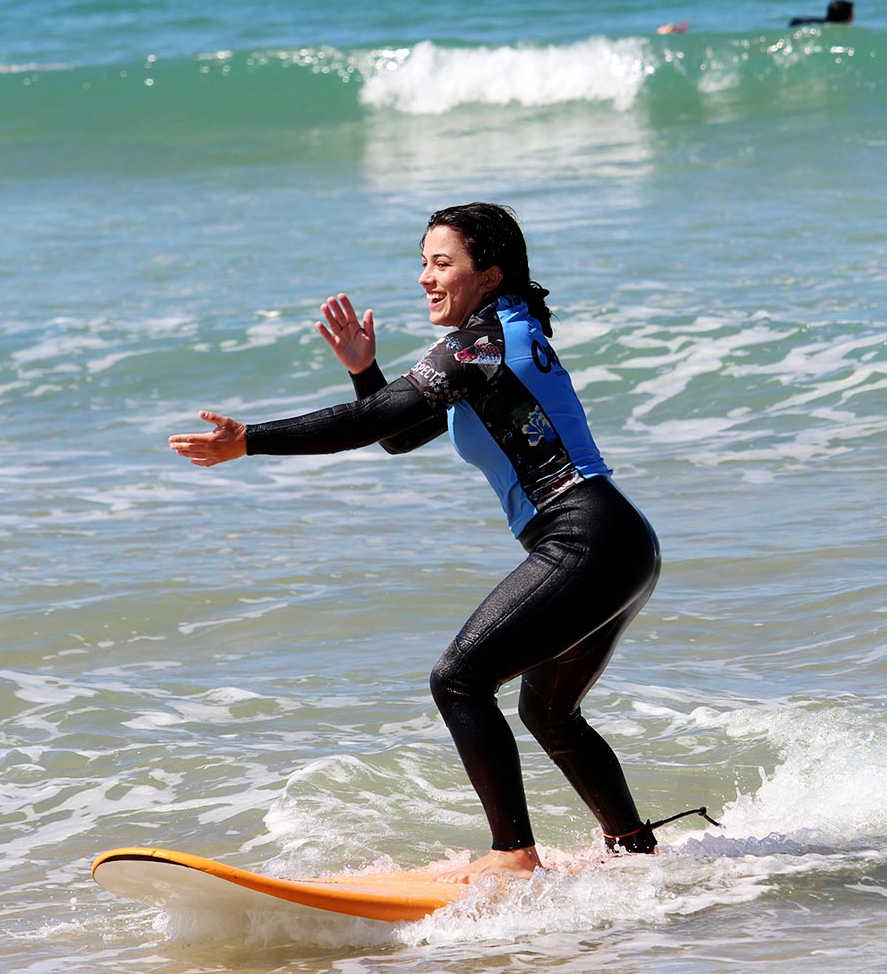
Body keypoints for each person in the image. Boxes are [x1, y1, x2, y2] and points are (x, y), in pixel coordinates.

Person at [169, 203, 664, 883]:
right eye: (423, 264)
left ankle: (514, 856)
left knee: (459, 679)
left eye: (442, 263)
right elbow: (397, 430)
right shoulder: (499, 339)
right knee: (548, 713)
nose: (426, 279)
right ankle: (634, 849)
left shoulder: (477, 347)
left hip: (585, 538)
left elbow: (369, 424)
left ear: (487, 275)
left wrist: (248, 440)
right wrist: (364, 371)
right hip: (617, 544)